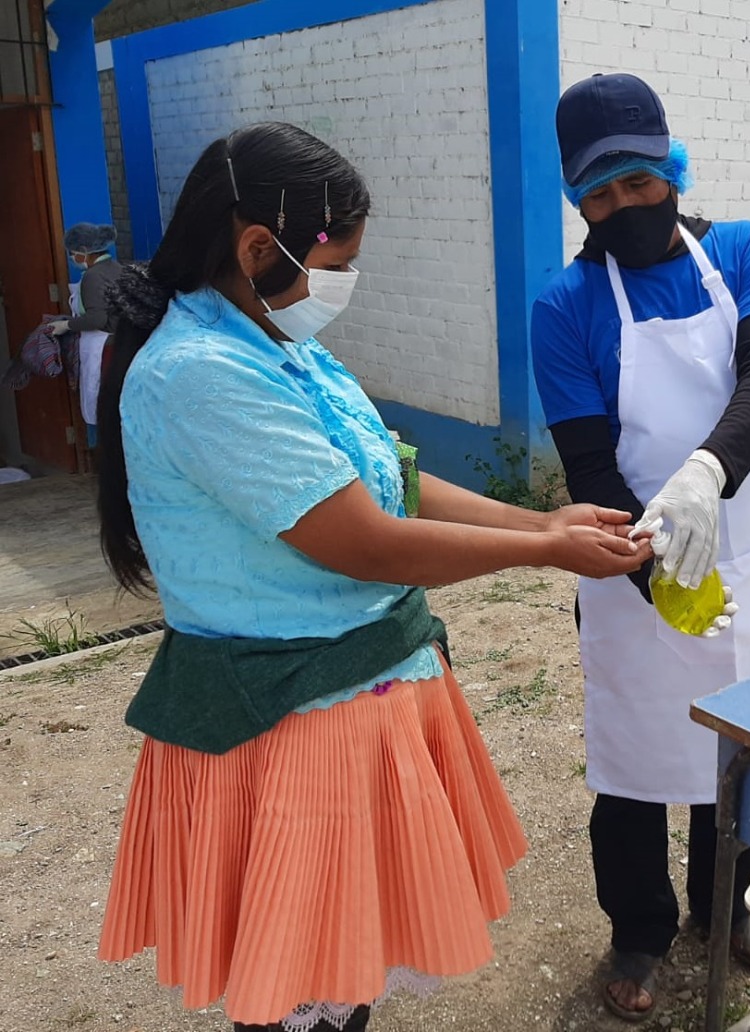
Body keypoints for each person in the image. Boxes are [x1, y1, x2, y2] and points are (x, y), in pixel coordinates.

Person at [94, 121, 652, 1032]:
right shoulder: (200, 374)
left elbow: (389, 475)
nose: (345, 282)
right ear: (258, 248)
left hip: (358, 695)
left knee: (347, 957)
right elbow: (365, 542)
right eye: (337, 262)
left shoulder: (279, 343)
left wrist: (543, 520)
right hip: (284, 717)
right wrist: (543, 550)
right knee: (296, 972)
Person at [529, 73, 750, 1021]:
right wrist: (659, 575)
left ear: (672, 171)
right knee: (638, 758)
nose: (624, 207)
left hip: (748, 548)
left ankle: (728, 906)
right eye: (599, 195)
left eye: (639, 183)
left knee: (742, 749)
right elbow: (589, 464)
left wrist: (705, 474)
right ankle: (640, 926)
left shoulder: (742, 250)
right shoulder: (565, 306)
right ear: (577, 201)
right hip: (630, 561)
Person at [49, 221, 121, 443]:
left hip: (102, 346)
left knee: (99, 399)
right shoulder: (117, 268)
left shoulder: (93, 276)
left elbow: (97, 318)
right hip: (118, 343)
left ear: (83, 251)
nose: (72, 258)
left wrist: (67, 325)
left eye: (73, 253)